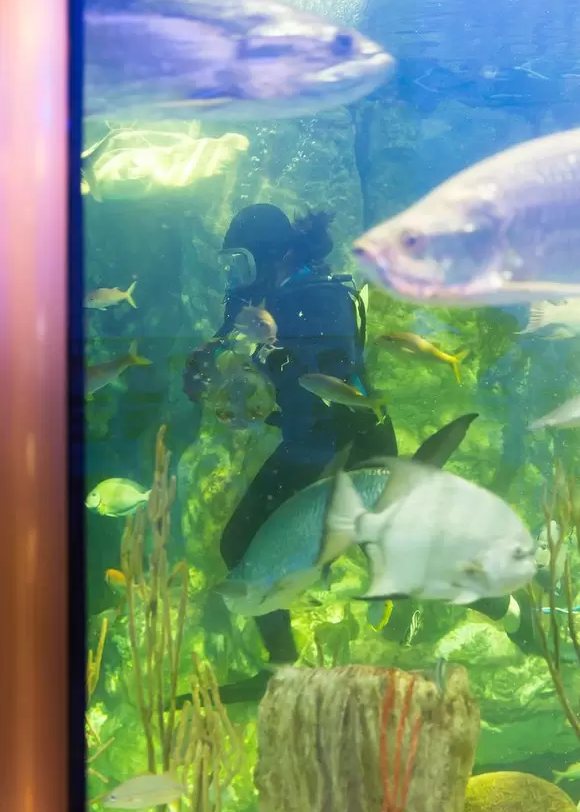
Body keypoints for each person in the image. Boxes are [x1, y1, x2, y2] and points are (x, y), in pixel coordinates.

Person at [182, 203, 538, 703]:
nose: (238, 276)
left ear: (277, 254)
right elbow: (215, 364)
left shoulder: (323, 296)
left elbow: (327, 377)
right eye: (231, 265)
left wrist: (263, 361)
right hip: (305, 440)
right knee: (241, 544)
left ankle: (510, 609)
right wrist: (209, 366)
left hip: (351, 439)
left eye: (244, 261)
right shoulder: (250, 300)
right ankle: (280, 671)